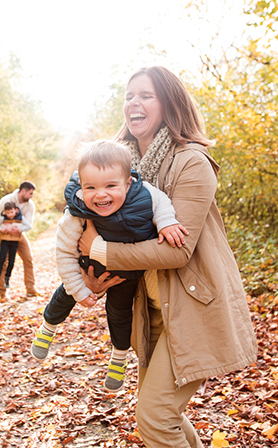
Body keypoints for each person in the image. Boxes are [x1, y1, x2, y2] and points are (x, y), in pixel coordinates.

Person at [77, 66, 257, 447]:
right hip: (151, 305)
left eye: (146, 95)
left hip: (194, 305)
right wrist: (90, 272)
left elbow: (176, 252)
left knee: (155, 416)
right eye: (129, 96)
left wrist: (101, 250)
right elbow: (87, 224)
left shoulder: (192, 162)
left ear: (169, 103)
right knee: (162, 414)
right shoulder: (119, 168)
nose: (134, 103)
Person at [30, 140, 188, 392]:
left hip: (126, 274)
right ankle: (48, 326)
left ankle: (119, 358)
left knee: (120, 314)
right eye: (90, 187)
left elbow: (162, 203)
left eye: (111, 186)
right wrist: (80, 289)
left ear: (128, 183)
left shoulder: (145, 193)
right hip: (88, 267)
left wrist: (167, 222)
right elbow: (64, 252)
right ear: (81, 186)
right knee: (65, 293)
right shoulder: (78, 211)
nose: (100, 194)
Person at [0, 181, 38, 297]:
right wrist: (4, 229)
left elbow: (29, 223)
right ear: (23, 191)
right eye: (30, 193)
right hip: (3, 236)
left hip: (19, 235)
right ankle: (2, 293)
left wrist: (17, 229)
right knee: (2, 262)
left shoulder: (30, 205)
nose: (32, 196)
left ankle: (31, 289)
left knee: (28, 259)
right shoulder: (6, 200)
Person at [0, 202, 29, 288]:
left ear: (15, 210)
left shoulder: (20, 218)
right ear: (4, 212)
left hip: (14, 242)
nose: (10, 215)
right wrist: (1, 229)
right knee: (1, 258)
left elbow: (28, 226)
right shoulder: (2, 218)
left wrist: (19, 229)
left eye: (11, 212)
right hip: (5, 240)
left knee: (11, 261)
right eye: (7, 213)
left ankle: (7, 277)